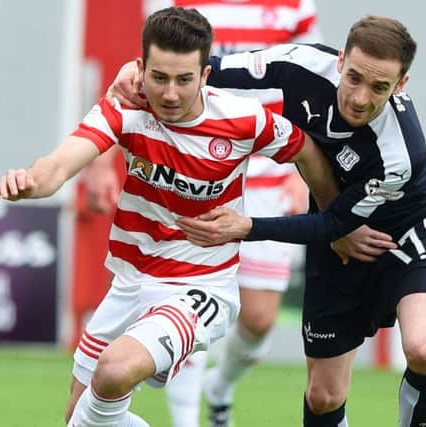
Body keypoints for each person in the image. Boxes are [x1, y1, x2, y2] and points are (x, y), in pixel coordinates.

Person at [0, 7, 337, 427]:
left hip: (203, 287)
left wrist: (337, 222)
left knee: (115, 371)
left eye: (184, 80)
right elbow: (60, 164)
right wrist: (29, 181)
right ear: (140, 69)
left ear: (205, 75)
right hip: (131, 282)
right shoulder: (124, 110)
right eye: (159, 78)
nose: (170, 94)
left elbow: (309, 152)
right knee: (79, 420)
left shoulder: (244, 119)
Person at [109, 15, 426, 427]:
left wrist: (248, 227)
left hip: (404, 231)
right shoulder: (300, 62)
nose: (360, 98)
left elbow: (334, 225)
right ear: (341, 60)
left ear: (400, 86)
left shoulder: (400, 151)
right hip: (335, 225)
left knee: (425, 348)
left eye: (379, 88)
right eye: (355, 77)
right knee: (324, 397)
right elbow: (208, 68)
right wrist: (134, 69)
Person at [90, 1, 326, 426]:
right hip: (187, 163)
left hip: (266, 169)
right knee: (183, 297)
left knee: (258, 320)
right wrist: (102, 162)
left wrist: (301, 174)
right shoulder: (177, 6)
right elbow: (139, 72)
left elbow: (308, 79)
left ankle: (220, 388)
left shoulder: (294, 6)